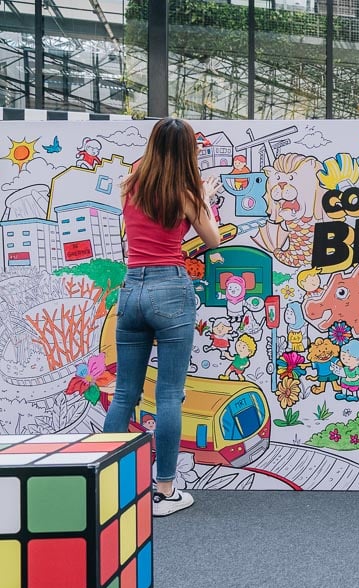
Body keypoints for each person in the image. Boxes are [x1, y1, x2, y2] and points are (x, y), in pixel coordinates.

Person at [103, 118, 222, 517]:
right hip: (170, 288)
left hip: (132, 288)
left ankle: (106, 486)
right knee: (169, 395)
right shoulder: (186, 193)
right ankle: (165, 490)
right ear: (188, 152)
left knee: (125, 393)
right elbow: (213, 239)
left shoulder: (130, 186)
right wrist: (204, 198)